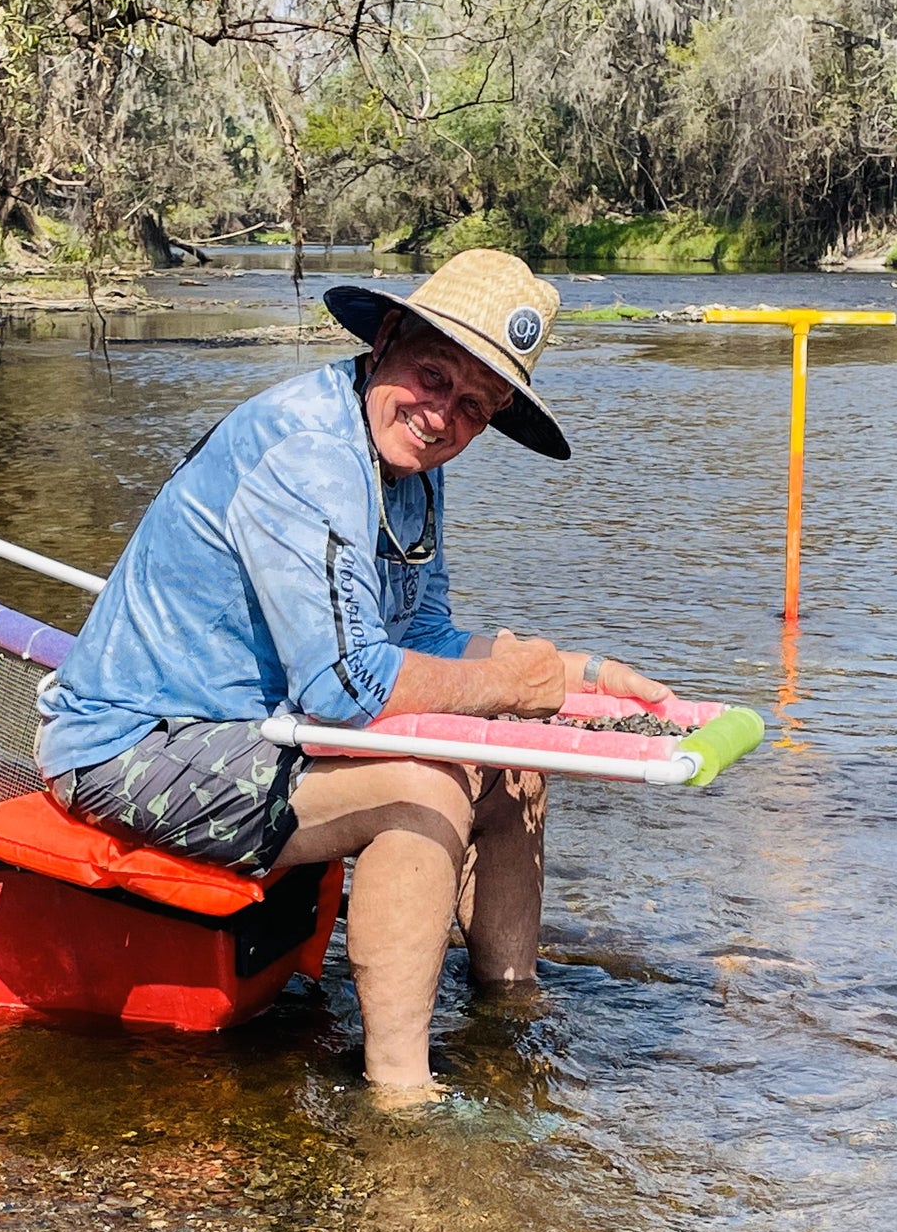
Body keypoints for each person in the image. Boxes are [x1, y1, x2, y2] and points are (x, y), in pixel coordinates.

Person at [35, 248, 670, 1096]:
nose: (441, 415)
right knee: (422, 788)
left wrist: (580, 676)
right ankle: (401, 1094)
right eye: (433, 376)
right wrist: (510, 685)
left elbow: (428, 635)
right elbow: (347, 686)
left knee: (515, 757)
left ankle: (508, 1021)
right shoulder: (309, 455)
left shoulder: (404, 465)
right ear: (388, 341)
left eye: (473, 406)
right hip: (135, 746)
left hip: (254, 733)